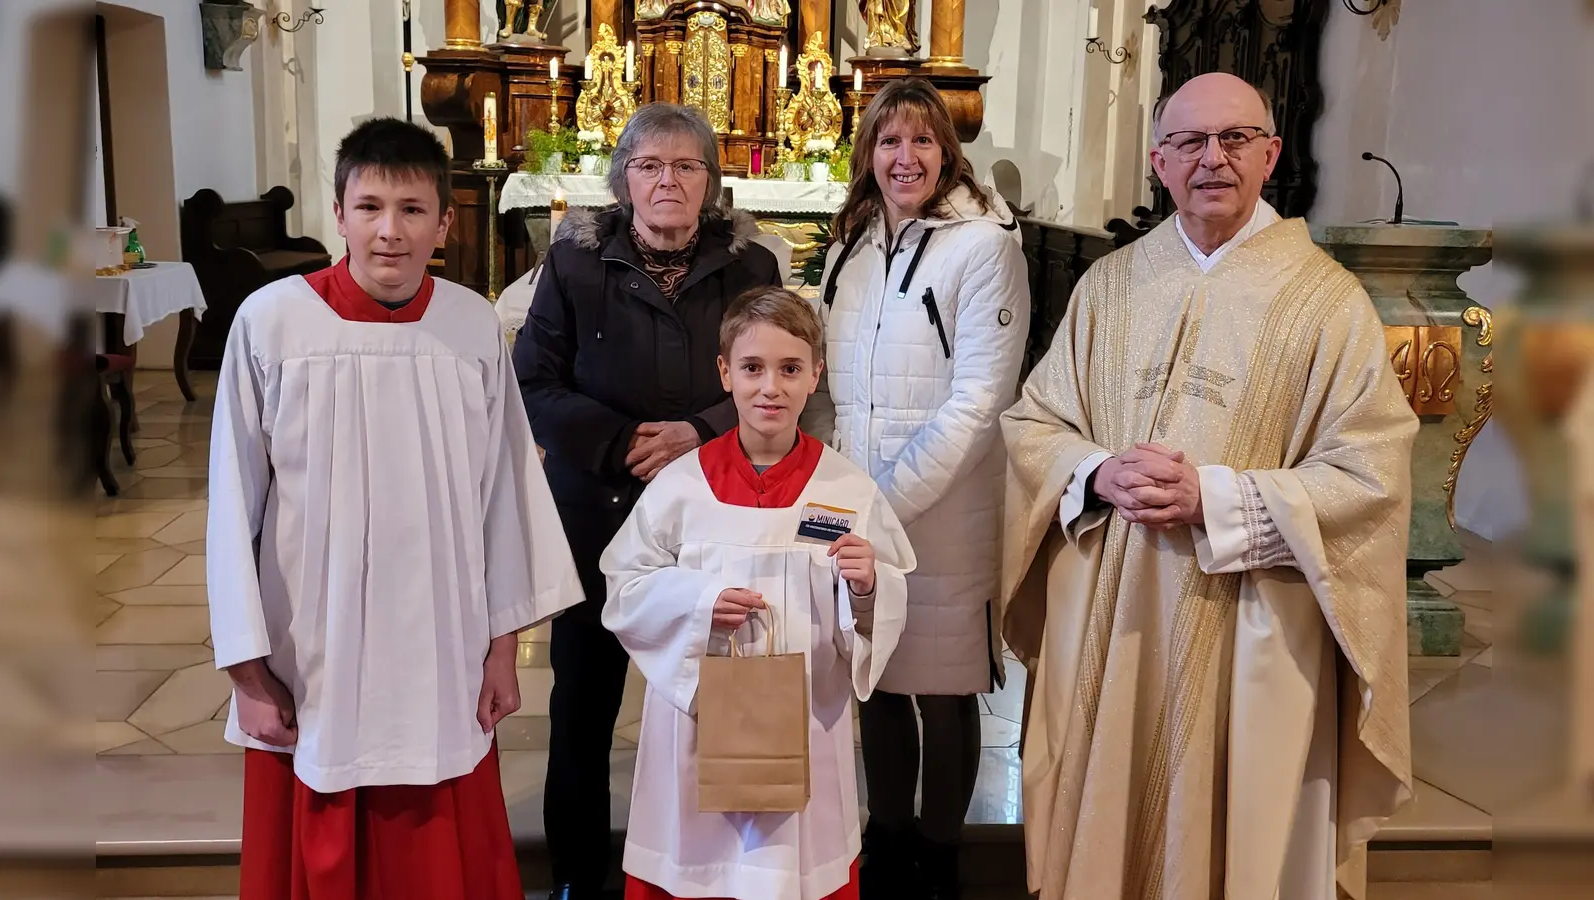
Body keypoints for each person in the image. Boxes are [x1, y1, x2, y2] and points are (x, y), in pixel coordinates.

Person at [997, 72, 1417, 900]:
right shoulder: (1109, 286)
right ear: (1159, 160)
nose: (1211, 160)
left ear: (1270, 153)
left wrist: (1216, 499)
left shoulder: (1326, 303)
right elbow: (1034, 424)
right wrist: (1097, 470)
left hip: (1256, 621)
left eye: (1234, 139)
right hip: (1113, 619)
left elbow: (1370, 470)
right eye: (1189, 141)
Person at [206, 117, 583, 899]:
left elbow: (505, 495)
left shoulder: (471, 324)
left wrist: (503, 646)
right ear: (337, 212)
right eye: (369, 206)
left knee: (435, 818)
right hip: (311, 635)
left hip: (439, 637)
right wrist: (246, 667)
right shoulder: (271, 322)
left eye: (412, 209)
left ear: (445, 222)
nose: (389, 231)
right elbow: (233, 501)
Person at [514, 102, 783, 900]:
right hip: (598, 509)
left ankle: (730, 863)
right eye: (650, 165)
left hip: (717, 516)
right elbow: (531, 382)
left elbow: (778, 374)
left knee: (725, 691)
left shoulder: (751, 269)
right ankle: (577, 874)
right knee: (584, 702)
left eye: (686, 165)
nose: (668, 180)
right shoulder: (571, 266)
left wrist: (701, 428)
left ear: (711, 181)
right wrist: (621, 438)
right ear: (624, 179)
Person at [601, 285, 916, 900]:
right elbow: (625, 585)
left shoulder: (846, 489)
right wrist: (694, 605)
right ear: (725, 373)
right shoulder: (681, 486)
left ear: (815, 375)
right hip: (699, 723)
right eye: (752, 368)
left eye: (790, 369)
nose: (770, 387)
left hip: (802, 720)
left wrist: (868, 586)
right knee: (697, 858)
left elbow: (886, 598)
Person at [803, 78, 1030, 899]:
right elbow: (827, 384)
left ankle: (939, 853)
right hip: (857, 494)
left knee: (942, 683)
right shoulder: (851, 245)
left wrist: (885, 502)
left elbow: (980, 401)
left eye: (922, 141)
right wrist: (825, 482)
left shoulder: (985, 246)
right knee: (877, 676)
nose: (906, 158)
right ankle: (887, 832)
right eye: (890, 142)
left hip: (944, 507)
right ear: (868, 154)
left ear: (947, 151)